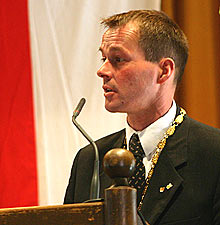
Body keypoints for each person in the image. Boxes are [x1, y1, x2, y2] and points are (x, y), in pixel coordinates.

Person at [64, 10, 220, 225]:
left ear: (164, 71)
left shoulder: (214, 153)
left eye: (118, 59)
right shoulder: (89, 159)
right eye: (103, 58)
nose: (102, 71)